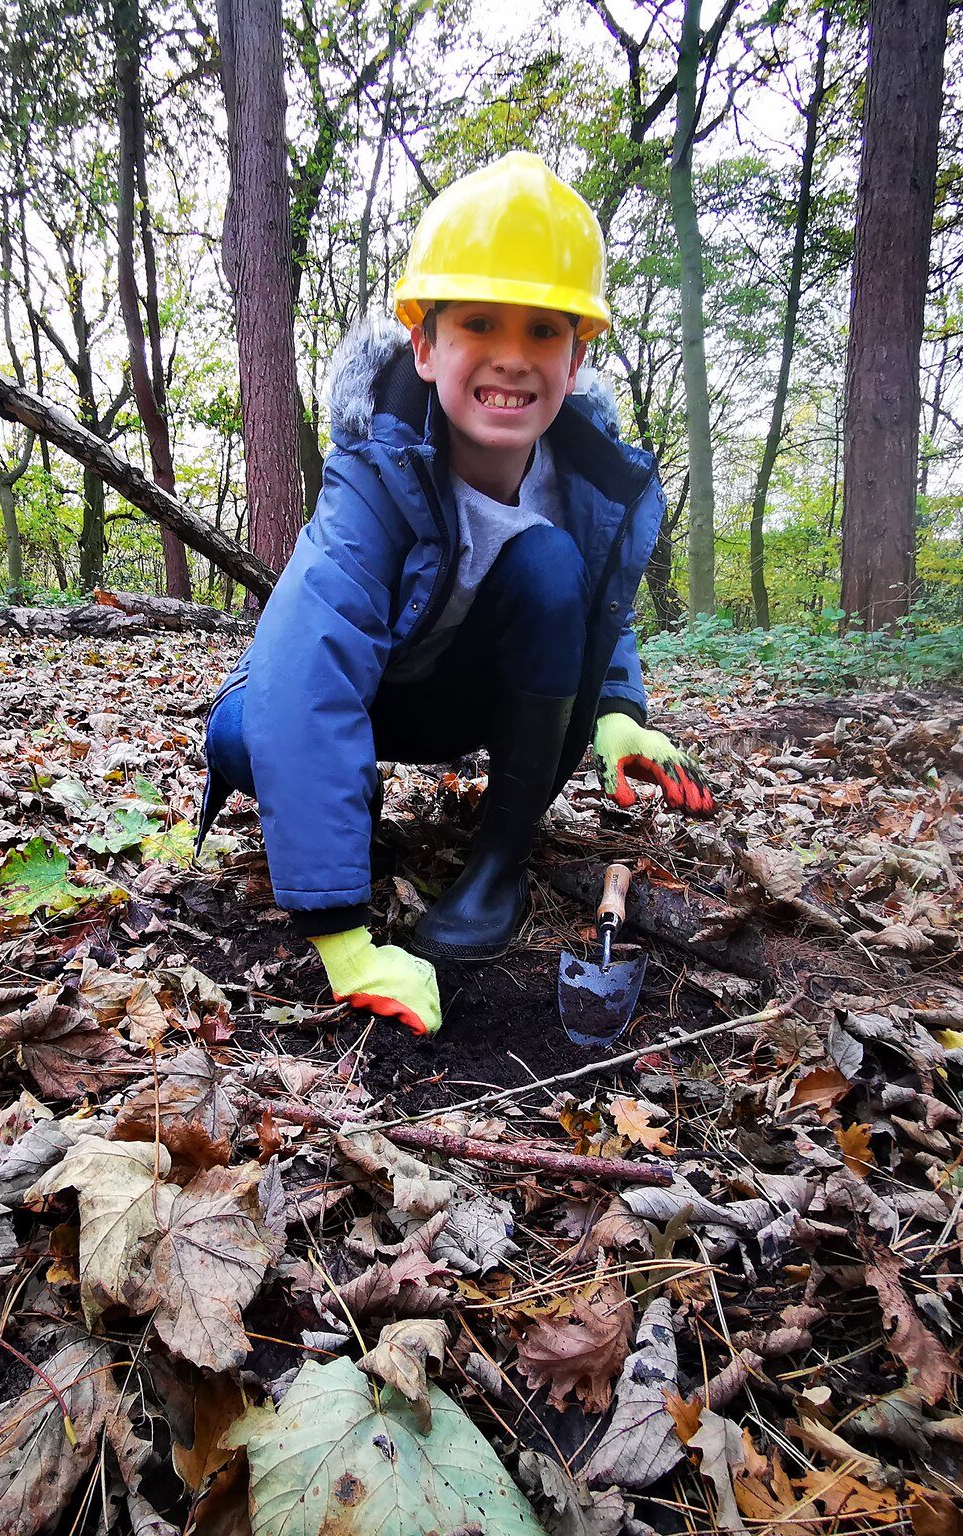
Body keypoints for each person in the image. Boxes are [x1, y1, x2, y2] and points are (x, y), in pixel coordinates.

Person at [198, 152, 715, 1037]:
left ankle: (495, 871)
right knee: (249, 732)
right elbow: (307, 670)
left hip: (469, 702)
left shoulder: (584, 475)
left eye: (545, 332)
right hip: (371, 694)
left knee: (552, 564)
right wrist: (341, 935)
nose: (513, 360)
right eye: (480, 323)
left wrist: (620, 711)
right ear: (426, 343)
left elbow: (597, 614)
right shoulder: (376, 466)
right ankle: (339, 839)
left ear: (579, 354)